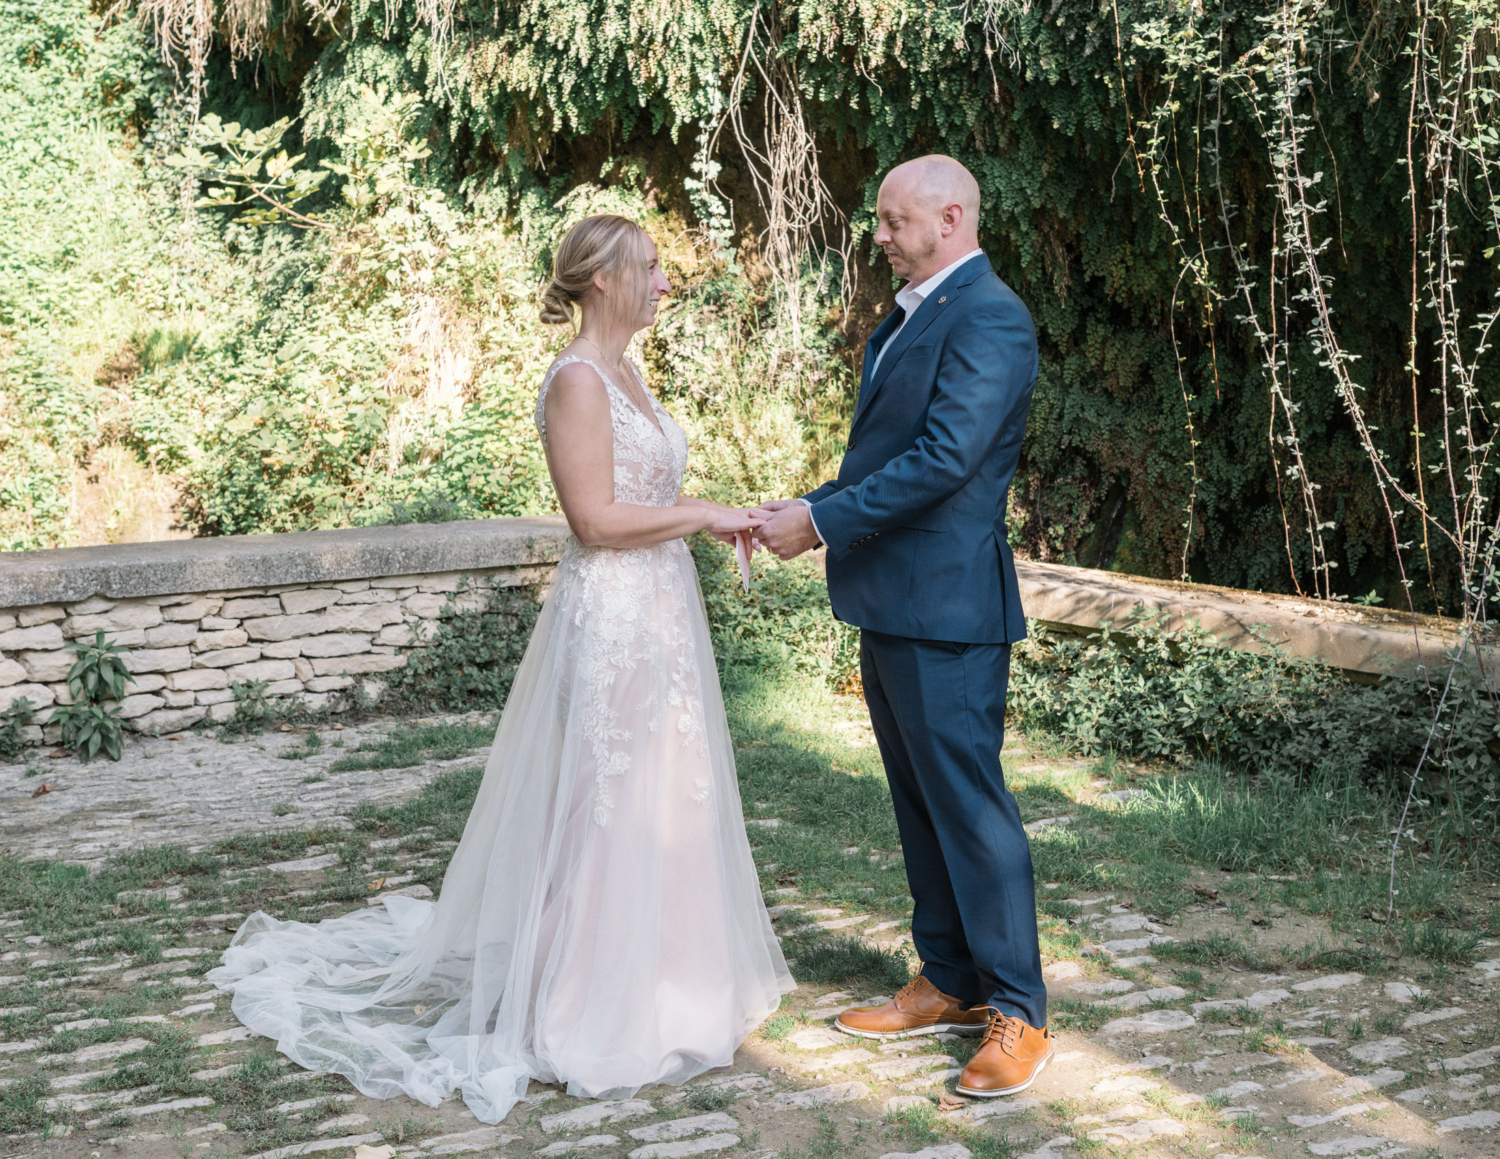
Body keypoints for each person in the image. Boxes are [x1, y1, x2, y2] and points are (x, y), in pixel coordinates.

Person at [208, 214, 793, 1124]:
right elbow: (595, 520)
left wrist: (702, 519)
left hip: (664, 611)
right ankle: (579, 1005)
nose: (666, 283)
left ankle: (674, 986)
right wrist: (705, 513)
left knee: (668, 790)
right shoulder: (575, 381)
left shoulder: (632, 373)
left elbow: (643, 501)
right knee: (604, 797)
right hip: (610, 617)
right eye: (650, 268)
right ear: (600, 278)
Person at [753, 156, 1050, 1097]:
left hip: (949, 607)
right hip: (893, 600)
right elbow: (885, 451)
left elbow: (945, 459)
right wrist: (810, 503)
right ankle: (951, 979)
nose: (877, 234)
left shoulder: (991, 317)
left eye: (892, 220)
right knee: (920, 803)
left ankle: (1020, 1014)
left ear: (950, 217)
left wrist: (824, 521)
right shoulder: (914, 312)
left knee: (970, 806)